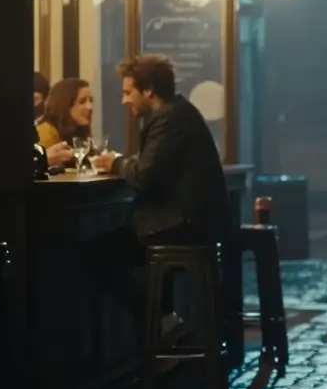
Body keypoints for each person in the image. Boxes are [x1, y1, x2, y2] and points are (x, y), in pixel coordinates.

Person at [87, 55, 229, 332]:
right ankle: (161, 328)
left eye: (128, 92)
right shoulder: (177, 112)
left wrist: (115, 163)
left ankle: (161, 324)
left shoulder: (169, 117)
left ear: (148, 90)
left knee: (95, 256)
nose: (124, 100)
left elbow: (144, 176)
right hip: (192, 223)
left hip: (184, 225)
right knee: (124, 253)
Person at [36, 77, 93, 150]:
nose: (90, 107)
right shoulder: (47, 131)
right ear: (65, 104)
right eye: (82, 101)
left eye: (91, 101)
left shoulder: (79, 131)